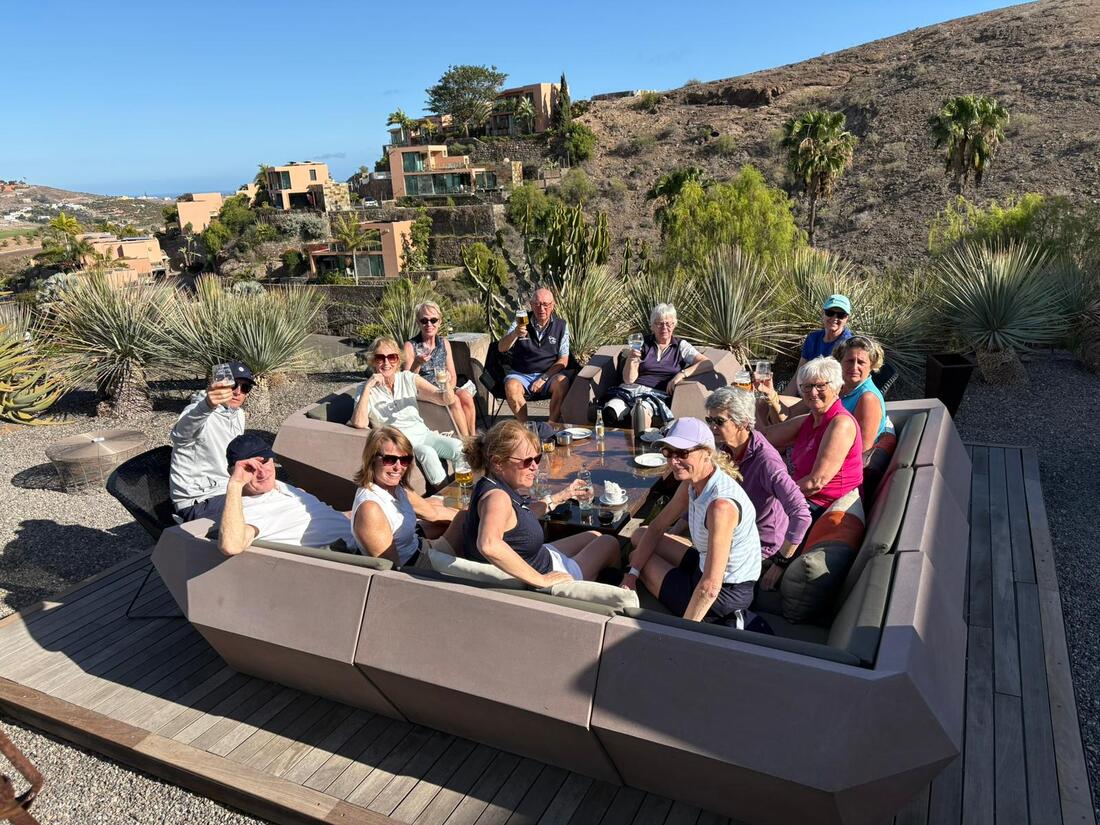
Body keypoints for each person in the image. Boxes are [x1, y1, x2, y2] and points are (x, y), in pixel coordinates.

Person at [625, 418, 761, 627]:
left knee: (636, 556)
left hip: (726, 593)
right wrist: (631, 575)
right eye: (668, 452)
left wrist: (686, 634)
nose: (673, 461)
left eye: (682, 453)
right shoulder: (693, 482)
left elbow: (711, 587)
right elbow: (657, 527)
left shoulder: (721, 507)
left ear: (707, 452)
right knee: (639, 535)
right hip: (703, 563)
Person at [461, 421, 620, 586]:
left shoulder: (486, 484)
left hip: (538, 556)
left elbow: (518, 518)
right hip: (548, 573)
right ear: (498, 462)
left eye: (537, 458)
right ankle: (610, 591)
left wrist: (562, 496)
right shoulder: (497, 498)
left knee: (594, 535)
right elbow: (489, 544)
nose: (535, 467)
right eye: (527, 461)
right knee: (609, 542)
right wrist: (541, 580)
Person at [703, 388, 811, 591]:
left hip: (759, 549)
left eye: (719, 421)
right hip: (730, 534)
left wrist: (781, 563)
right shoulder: (725, 449)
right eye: (709, 420)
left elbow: (801, 514)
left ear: (743, 423)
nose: (712, 427)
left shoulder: (766, 462)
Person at [349, 336, 462, 487]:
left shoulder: (408, 378)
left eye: (392, 357)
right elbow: (359, 422)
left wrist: (446, 385)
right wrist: (368, 387)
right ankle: (446, 494)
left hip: (424, 434)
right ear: (373, 361)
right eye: (380, 358)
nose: (386, 363)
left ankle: (464, 491)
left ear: (398, 360)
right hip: (401, 443)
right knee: (427, 453)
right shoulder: (365, 389)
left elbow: (443, 399)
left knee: (458, 448)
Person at [218, 433, 356, 556]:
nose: (262, 473)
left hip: (355, 534)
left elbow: (321, 518)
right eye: (250, 468)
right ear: (233, 472)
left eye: (264, 461)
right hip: (353, 553)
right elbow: (231, 546)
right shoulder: (251, 509)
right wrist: (235, 484)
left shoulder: (276, 486)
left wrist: (353, 516)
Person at [763, 357, 863, 519]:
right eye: (807, 386)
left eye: (821, 386)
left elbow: (815, 483)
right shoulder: (811, 419)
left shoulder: (841, 424)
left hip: (819, 505)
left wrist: (771, 494)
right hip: (801, 494)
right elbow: (764, 437)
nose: (813, 392)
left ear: (836, 387)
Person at [351, 426, 464, 567]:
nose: (398, 467)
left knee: (464, 517)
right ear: (371, 459)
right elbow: (394, 570)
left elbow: (432, 513)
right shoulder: (370, 510)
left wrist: (469, 518)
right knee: (485, 573)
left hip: (421, 547)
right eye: (390, 459)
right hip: (416, 567)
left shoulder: (398, 488)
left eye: (405, 460)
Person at [602, 303, 711, 430]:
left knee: (640, 412)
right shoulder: (642, 343)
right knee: (610, 410)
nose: (664, 328)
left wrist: (681, 374)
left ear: (674, 325)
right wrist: (631, 359)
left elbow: (707, 363)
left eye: (668, 324)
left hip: (655, 394)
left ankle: (640, 442)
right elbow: (629, 380)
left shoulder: (681, 346)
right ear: (652, 326)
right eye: (659, 324)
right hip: (630, 390)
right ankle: (611, 441)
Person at [169, 361, 253, 523]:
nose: (238, 392)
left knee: (278, 499)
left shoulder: (238, 414)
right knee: (256, 515)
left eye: (245, 387)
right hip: (199, 500)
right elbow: (180, 435)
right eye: (233, 385)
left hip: (228, 488)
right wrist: (207, 405)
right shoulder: (197, 412)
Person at [402, 301, 477, 437]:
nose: (429, 324)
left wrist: (448, 389)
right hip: (424, 390)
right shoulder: (410, 346)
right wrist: (417, 363)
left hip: (444, 386)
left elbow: (452, 375)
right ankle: (466, 442)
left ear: (440, 322)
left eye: (433, 320)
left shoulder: (444, 343)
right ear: (418, 322)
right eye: (424, 320)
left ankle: (473, 436)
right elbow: (407, 381)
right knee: (454, 400)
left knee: (466, 396)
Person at [498, 288, 571, 423]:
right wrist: (515, 333)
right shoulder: (521, 321)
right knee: (511, 386)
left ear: (553, 305)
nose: (541, 309)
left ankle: (551, 425)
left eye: (545, 304)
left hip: (548, 375)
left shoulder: (561, 326)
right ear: (531, 305)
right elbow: (501, 348)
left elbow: (564, 359)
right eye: (537, 304)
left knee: (563, 382)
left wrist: (544, 378)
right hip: (521, 374)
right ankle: (526, 427)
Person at [834, 335, 889, 457]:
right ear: (839, 362)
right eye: (850, 361)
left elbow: (861, 449)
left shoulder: (867, 399)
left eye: (861, 362)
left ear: (872, 365)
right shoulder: (838, 388)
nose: (854, 367)